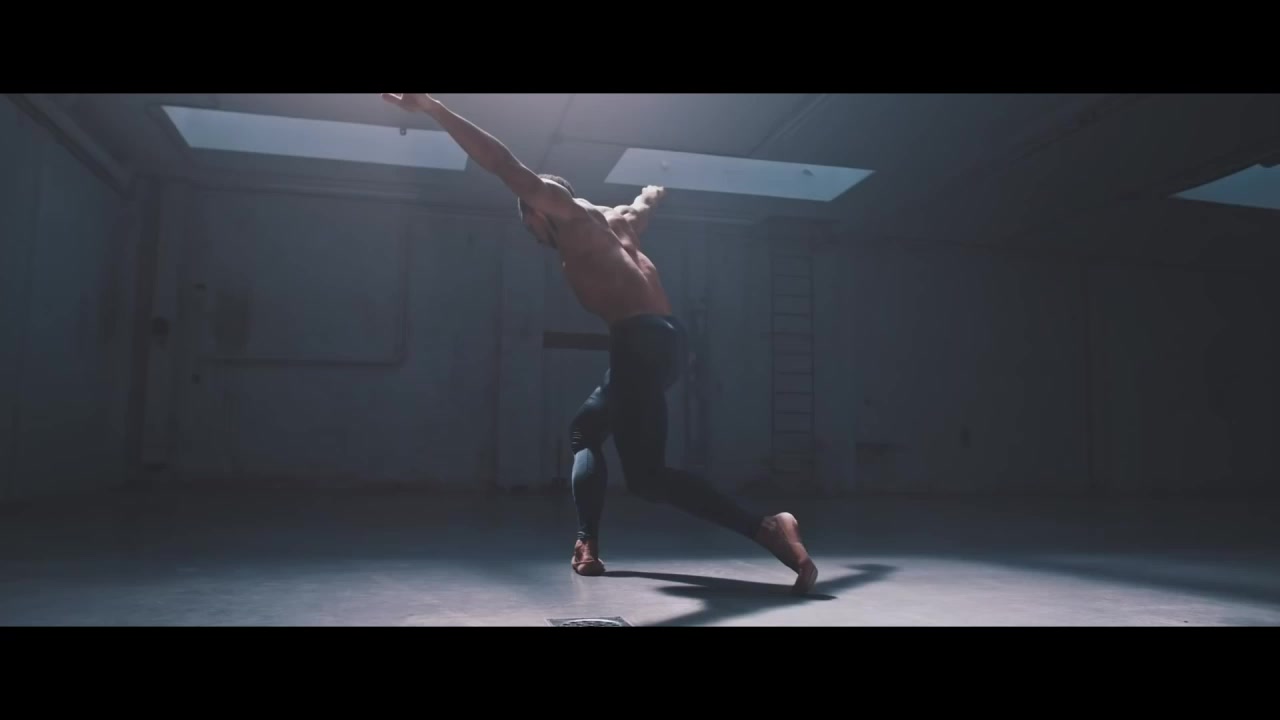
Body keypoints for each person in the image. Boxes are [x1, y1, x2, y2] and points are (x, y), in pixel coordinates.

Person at [383, 93, 818, 594]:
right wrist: (655, 189)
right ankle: (590, 543)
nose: (534, 237)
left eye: (529, 225)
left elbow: (502, 164)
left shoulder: (567, 214)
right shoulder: (621, 221)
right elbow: (647, 201)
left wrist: (433, 108)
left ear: (540, 207)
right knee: (597, 438)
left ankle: (764, 528)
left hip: (638, 340)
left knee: (631, 467)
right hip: (666, 341)